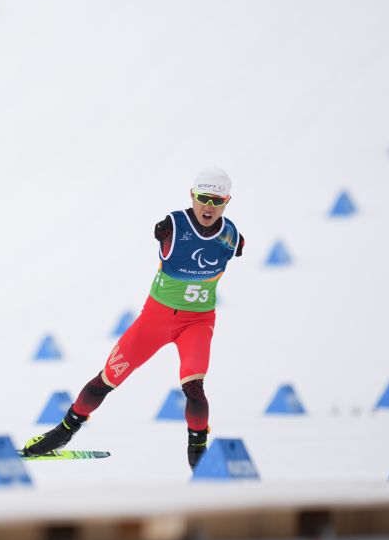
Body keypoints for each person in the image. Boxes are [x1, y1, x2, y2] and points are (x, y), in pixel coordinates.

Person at [23, 166, 245, 471]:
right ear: (192, 196)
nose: (209, 207)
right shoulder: (172, 226)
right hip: (155, 320)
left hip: (197, 323)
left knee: (194, 388)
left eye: (217, 201)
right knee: (106, 380)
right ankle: (63, 432)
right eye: (203, 198)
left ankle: (198, 454)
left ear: (227, 201)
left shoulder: (232, 236)